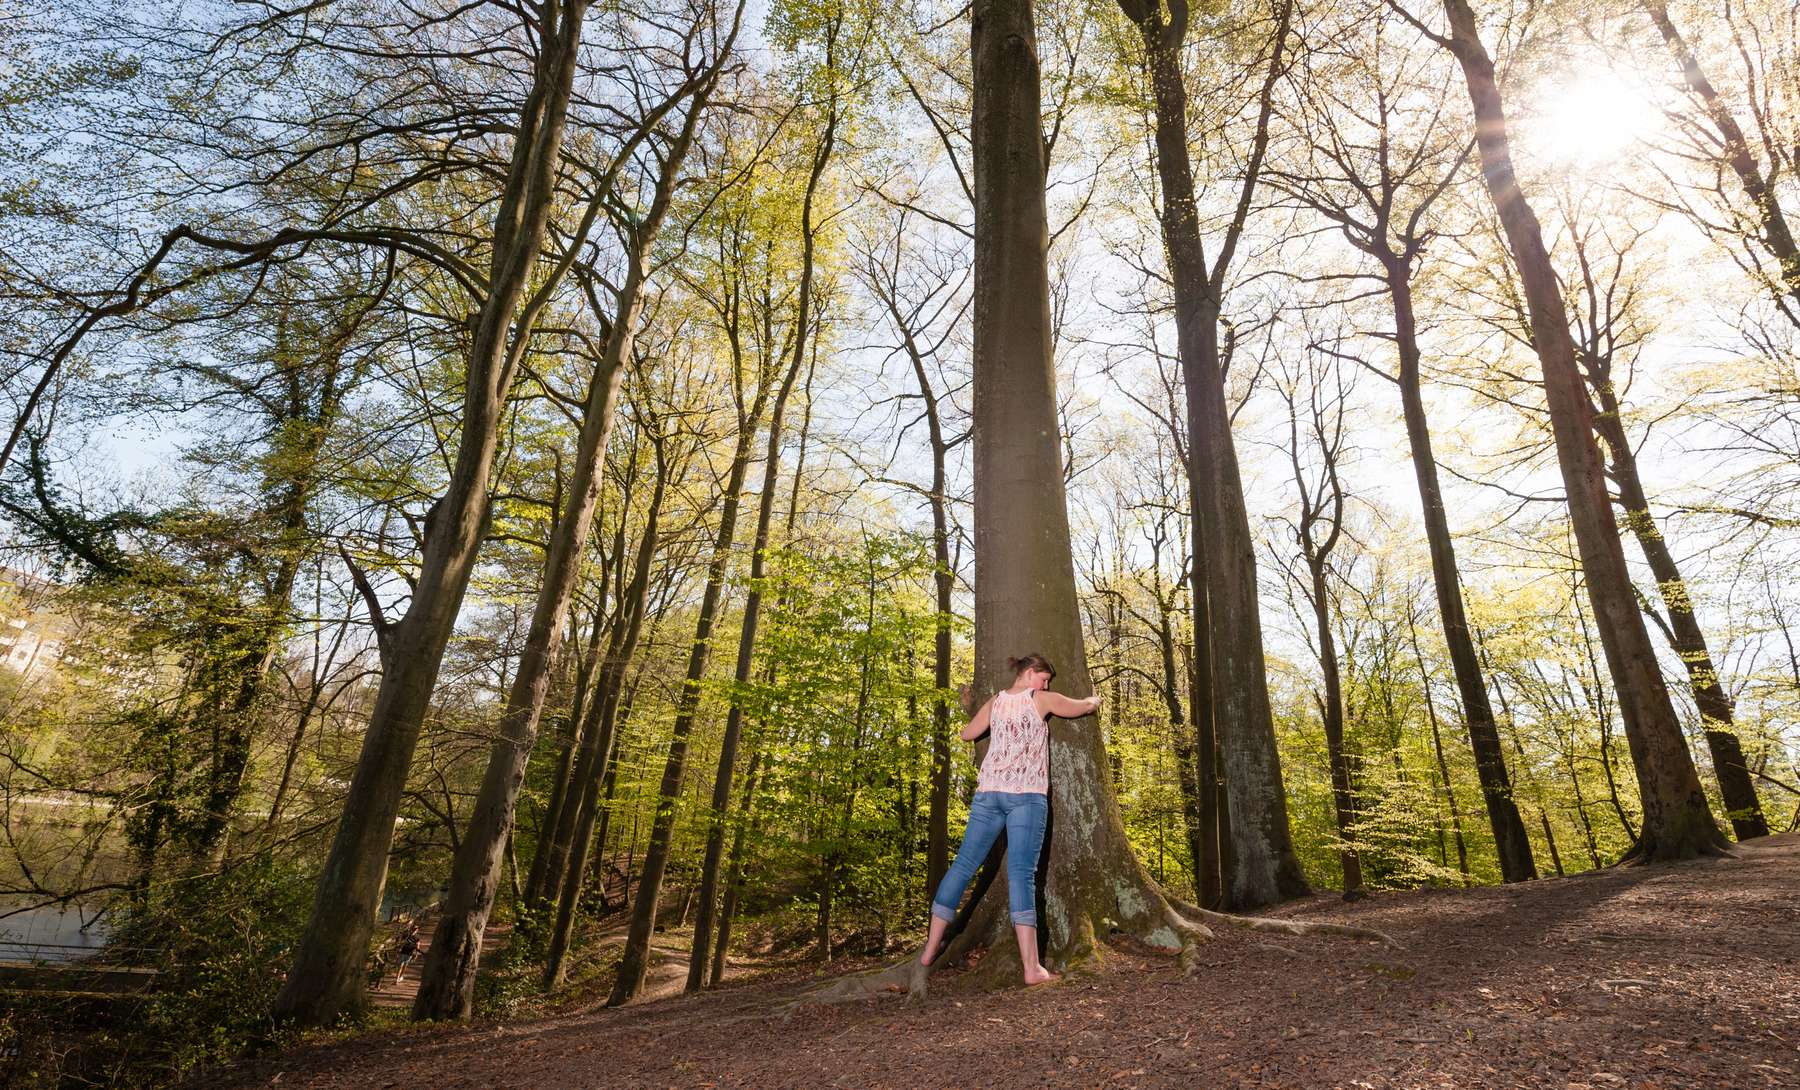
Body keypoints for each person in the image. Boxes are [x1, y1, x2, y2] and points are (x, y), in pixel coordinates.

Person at [918, 652, 1101, 986]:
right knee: (1021, 875)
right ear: (1030, 674)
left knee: (962, 866)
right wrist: (1093, 699)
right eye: (1044, 678)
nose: (1047, 684)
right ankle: (1032, 969)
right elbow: (1079, 707)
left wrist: (979, 711)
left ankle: (931, 948)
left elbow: (967, 734)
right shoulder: (1041, 699)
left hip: (989, 794)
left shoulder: (996, 702)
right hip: (1025, 797)